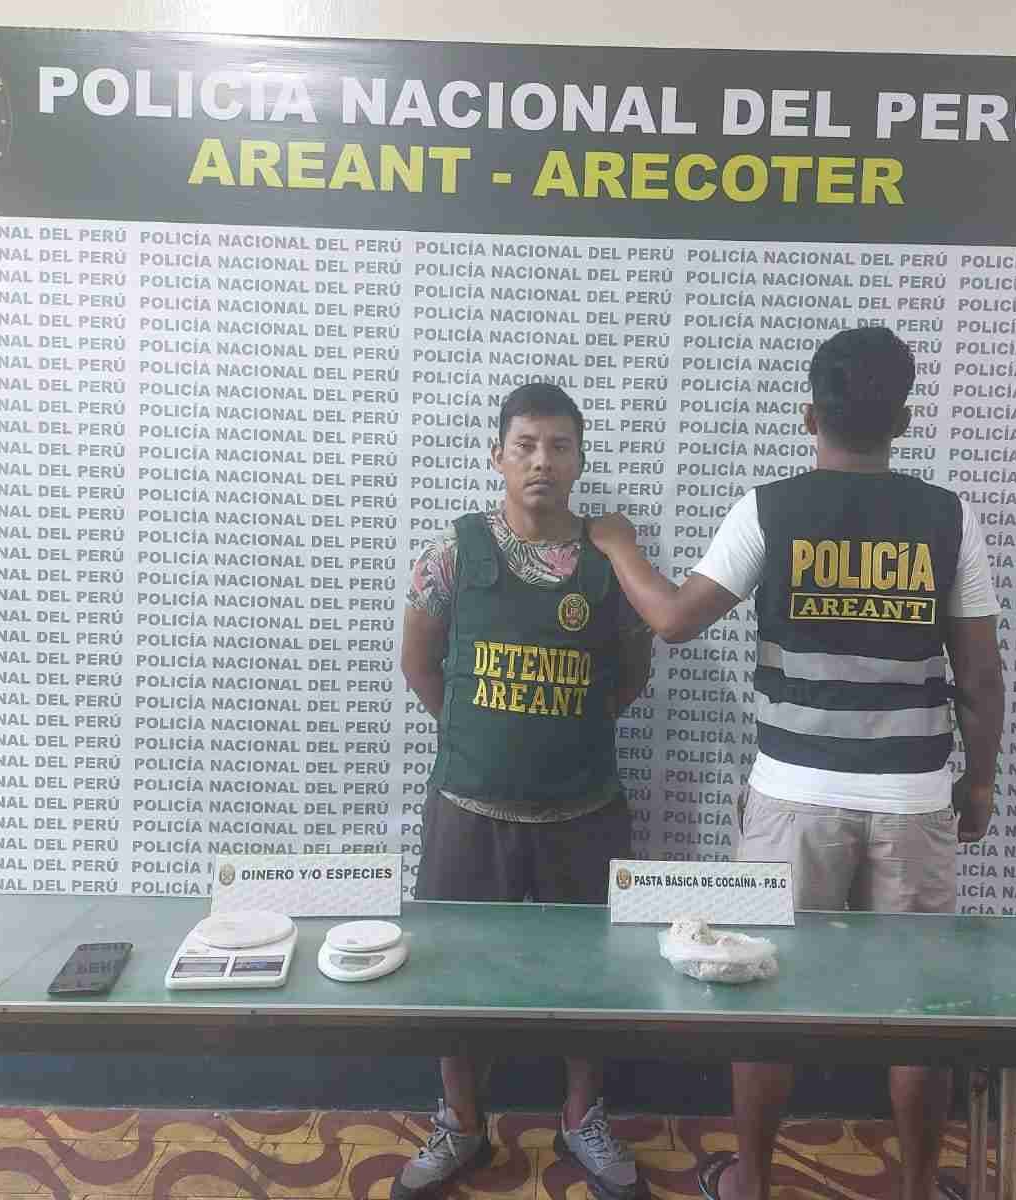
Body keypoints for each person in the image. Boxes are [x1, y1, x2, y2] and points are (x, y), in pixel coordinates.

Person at [587, 327, 1005, 1200]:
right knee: (918, 1011)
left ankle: (753, 1182)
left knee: (765, 998)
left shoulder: (768, 510)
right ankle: (918, 1189)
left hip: (791, 798)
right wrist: (979, 779)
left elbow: (673, 620)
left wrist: (620, 545)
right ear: (904, 420)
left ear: (810, 415)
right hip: (913, 799)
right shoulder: (948, 517)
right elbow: (979, 674)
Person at [395, 382, 655, 1200]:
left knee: (592, 977)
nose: (543, 461)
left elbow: (633, 674)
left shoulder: (610, 561)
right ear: (498, 456)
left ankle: (582, 1116)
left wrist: (559, 734)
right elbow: (419, 664)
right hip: (469, 810)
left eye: (560, 446)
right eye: (527, 445)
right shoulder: (453, 552)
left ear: (579, 459)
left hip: (584, 811)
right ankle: (461, 1122)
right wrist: (482, 738)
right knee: (452, 974)